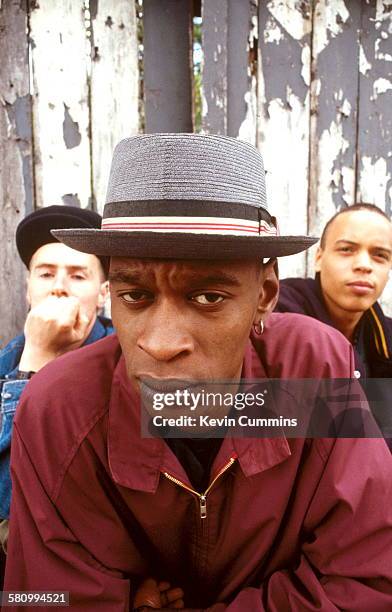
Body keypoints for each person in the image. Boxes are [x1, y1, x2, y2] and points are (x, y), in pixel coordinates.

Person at [4, 135, 392, 611]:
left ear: (265, 294)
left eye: (208, 297)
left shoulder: (314, 370)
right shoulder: (58, 411)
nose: (162, 343)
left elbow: (369, 578)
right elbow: (40, 596)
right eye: (135, 297)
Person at [0, 206, 113, 527]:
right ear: (28, 289)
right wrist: (35, 360)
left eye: (77, 275)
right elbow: (9, 507)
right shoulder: (7, 367)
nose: (59, 286)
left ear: (103, 293)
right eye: (46, 274)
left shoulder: (126, 363)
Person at [275, 203, 392, 447]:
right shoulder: (278, 315)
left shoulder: (386, 338)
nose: (364, 265)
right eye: (347, 249)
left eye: (380, 255)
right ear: (318, 258)